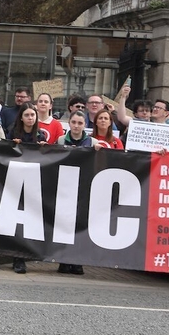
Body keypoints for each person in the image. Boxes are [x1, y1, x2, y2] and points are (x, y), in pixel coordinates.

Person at [55, 110, 99, 275]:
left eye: (80, 123)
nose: (76, 126)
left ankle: (78, 261)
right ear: (69, 123)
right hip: (65, 188)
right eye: (73, 122)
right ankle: (64, 260)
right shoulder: (61, 140)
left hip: (84, 189)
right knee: (64, 225)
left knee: (80, 226)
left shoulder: (93, 142)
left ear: (85, 125)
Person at [7, 102, 46, 273]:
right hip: (15, 184)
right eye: (27, 115)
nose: (30, 118)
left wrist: (44, 148)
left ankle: (24, 255)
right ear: (21, 118)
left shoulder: (41, 135)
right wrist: (12, 145)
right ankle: (17, 258)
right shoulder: (12, 133)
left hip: (34, 185)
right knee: (17, 222)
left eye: (32, 115)